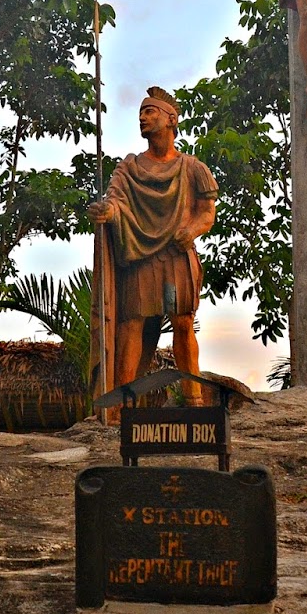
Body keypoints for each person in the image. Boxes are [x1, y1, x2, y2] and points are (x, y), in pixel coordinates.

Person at [88, 87, 218, 402]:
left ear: (171, 119)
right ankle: (121, 404)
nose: (143, 118)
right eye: (141, 113)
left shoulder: (192, 168)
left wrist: (191, 229)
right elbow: (115, 201)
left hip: (175, 258)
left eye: (150, 112)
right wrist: (107, 210)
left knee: (183, 323)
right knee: (132, 325)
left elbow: (207, 213)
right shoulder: (128, 168)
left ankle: (194, 398)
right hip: (141, 258)